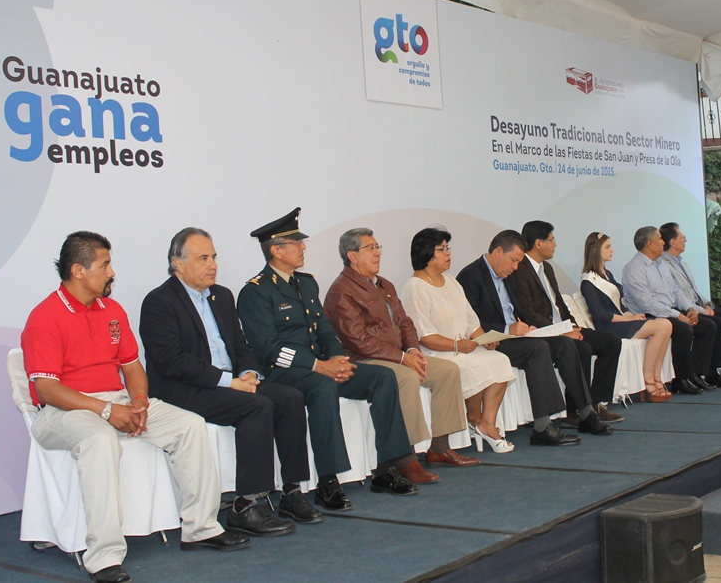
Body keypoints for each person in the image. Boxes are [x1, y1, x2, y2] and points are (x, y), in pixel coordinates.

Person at [22, 232, 248, 583]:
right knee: (99, 440)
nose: (112, 272)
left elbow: (132, 367)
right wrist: (107, 411)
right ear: (78, 270)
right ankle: (104, 557)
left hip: (117, 402)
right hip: (63, 411)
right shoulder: (46, 316)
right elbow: (48, 389)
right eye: (105, 265)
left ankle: (200, 528)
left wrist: (139, 402)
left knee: (189, 425)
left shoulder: (111, 310)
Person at [237, 209, 420, 511]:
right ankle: (328, 481)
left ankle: (387, 468)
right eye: (296, 243)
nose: (303, 247)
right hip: (285, 372)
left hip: (322, 365)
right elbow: (268, 350)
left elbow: (324, 328)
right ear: (276, 250)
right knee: (323, 387)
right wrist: (318, 366)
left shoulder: (306, 283)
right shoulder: (256, 292)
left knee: (382, 377)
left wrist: (337, 358)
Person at [139, 227, 319, 533]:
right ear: (178, 264)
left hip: (229, 382)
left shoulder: (221, 296)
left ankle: (291, 491)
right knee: (257, 406)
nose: (213, 265)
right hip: (186, 389)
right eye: (203, 258)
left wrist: (249, 372)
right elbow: (173, 362)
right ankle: (245, 506)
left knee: (290, 397)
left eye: (214, 257)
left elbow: (239, 344)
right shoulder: (159, 301)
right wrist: (228, 381)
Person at [324, 228, 479, 474]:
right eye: (370, 248)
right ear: (352, 256)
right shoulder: (341, 291)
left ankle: (439, 448)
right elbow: (358, 341)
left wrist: (413, 350)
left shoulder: (384, 284)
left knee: (448, 371)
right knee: (406, 377)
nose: (378, 253)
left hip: (398, 355)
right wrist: (403, 358)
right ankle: (406, 458)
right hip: (366, 361)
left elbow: (405, 323)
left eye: (378, 247)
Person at [456, 230, 594, 446]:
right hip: (494, 341)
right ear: (498, 252)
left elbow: (521, 310)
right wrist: (506, 328)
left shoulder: (508, 275)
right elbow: (470, 321)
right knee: (537, 349)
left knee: (565, 344)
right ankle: (543, 426)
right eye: (513, 260)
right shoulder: (470, 276)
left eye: (519, 262)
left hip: (518, 336)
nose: (515, 267)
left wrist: (530, 327)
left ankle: (586, 412)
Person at [400, 227, 517, 453]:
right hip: (436, 353)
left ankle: (486, 423)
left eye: (448, 248)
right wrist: (456, 345)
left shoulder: (451, 282)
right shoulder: (415, 287)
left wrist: (485, 340)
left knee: (499, 359)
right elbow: (423, 335)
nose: (448, 253)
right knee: (476, 365)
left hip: (462, 347)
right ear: (425, 253)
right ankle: (475, 419)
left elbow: (471, 323)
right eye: (442, 249)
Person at [513, 220, 622, 428]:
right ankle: (576, 411)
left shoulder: (547, 268)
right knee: (581, 347)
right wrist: (562, 332)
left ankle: (596, 402)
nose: (555, 244)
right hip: (543, 332)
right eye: (552, 240)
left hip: (563, 328)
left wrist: (572, 326)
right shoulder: (520, 270)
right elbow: (527, 312)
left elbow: (560, 305)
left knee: (611, 342)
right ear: (538, 243)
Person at [621, 226, 717, 395]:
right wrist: (677, 315)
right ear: (650, 244)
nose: (663, 243)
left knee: (707, 326)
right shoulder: (634, 268)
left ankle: (696, 374)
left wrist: (689, 308)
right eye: (659, 239)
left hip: (670, 311)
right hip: (650, 316)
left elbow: (676, 291)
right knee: (683, 329)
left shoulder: (660, 264)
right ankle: (681, 379)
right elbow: (646, 304)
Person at [579, 232, 673, 402]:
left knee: (666, 325)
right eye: (607, 247)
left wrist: (632, 315)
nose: (612, 250)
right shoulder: (588, 281)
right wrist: (627, 319)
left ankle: (657, 377)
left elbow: (620, 306)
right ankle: (648, 381)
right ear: (595, 250)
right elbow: (600, 315)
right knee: (661, 326)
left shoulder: (607, 274)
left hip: (621, 322)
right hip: (608, 327)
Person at [659, 222, 721, 383]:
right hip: (685, 310)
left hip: (697, 307)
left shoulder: (682, 263)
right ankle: (709, 371)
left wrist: (707, 304)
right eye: (682, 237)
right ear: (672, 242)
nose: (685, 240)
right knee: (717, 322)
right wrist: (702, 311)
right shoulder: (664, 265)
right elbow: (678, 297)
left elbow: (694, 291)